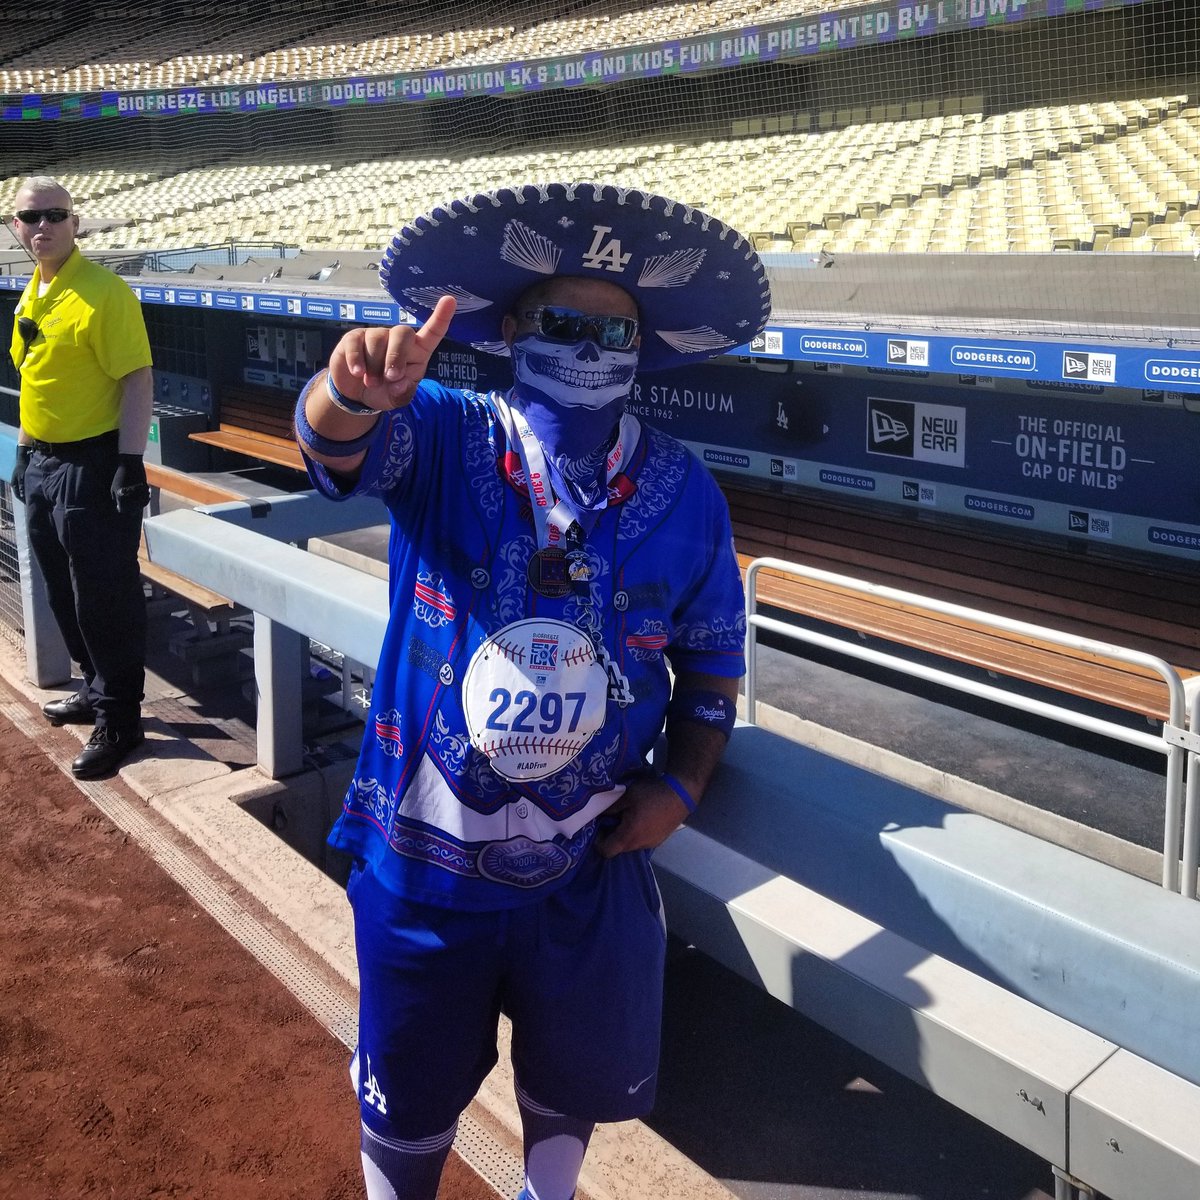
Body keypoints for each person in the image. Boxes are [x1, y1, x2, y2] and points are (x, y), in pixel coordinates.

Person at [295, 182, 771, 1200]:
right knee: (408, 1100)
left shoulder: (688, 493)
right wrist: (348, 388)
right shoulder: (444, 432)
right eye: (563, 322)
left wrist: (681, 789)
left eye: (617, 332)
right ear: (510, 329)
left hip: (588, 870)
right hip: (424, 868)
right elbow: (335, 448)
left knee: (572, 1079)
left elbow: (717, 668)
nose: (591, 347)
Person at [7, 176, 154, 779]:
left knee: (104, 595)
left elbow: (138, 378)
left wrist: (130, 460)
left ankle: (120, 718)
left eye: (54, 215)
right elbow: (35, 379)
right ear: (15, 226)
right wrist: (21, 450)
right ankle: (95, 688)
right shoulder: (34, 289)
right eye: (29, 217)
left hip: (92, 463)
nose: (41, 226)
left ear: (76, 223)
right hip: (42, 459)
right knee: (60, 586)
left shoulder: (103, 292)